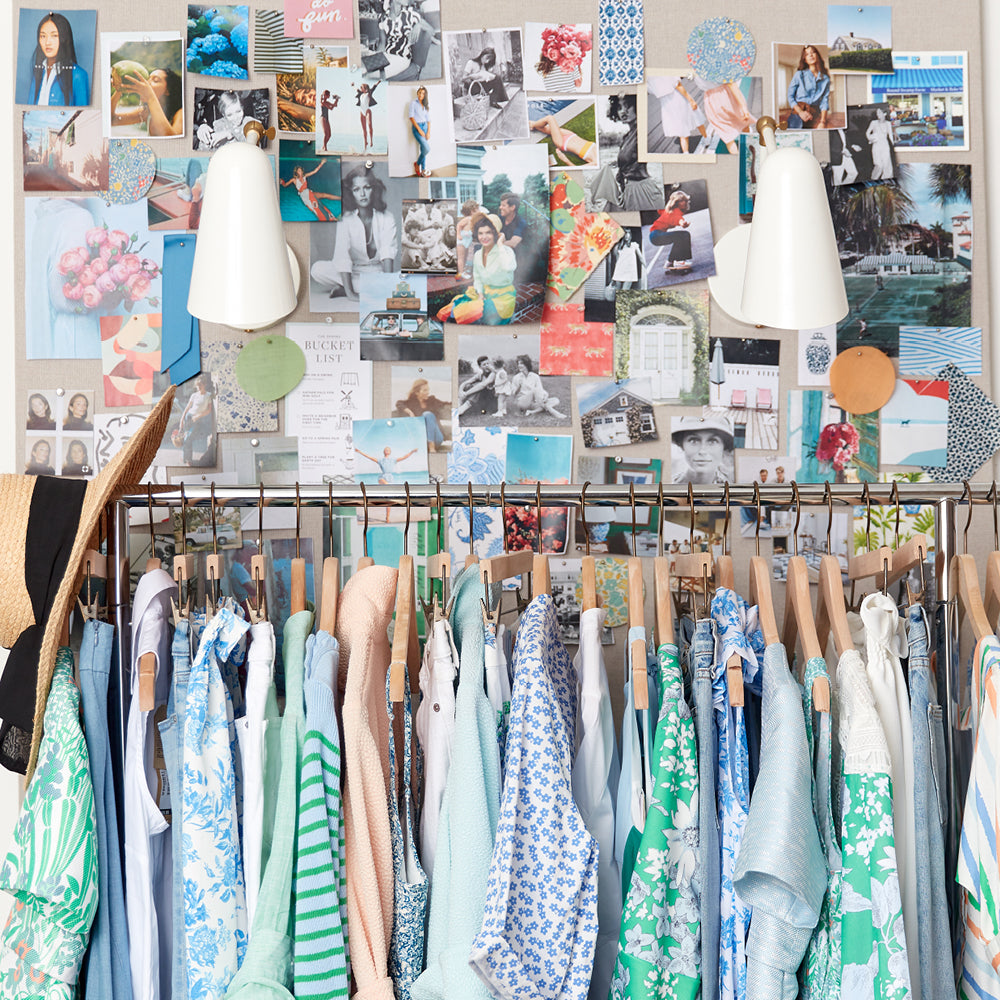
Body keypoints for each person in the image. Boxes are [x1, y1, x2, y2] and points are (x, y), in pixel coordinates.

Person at [310, 165, 397, 299]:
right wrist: (351, 295)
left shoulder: (387, 217)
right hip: (353, 270)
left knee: (407, 276)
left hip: (377, 271)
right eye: (356, 189)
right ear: (351, 193)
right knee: (317, 269)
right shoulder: (345, 220)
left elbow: (387, 253)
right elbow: (342, 257)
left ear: (374, 189)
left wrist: (387, 284)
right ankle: (354, 288)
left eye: (367, 187)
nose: (362, 194)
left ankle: (346, 288)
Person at [436, 213, 516, 325]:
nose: (484, 237)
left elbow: (508, 267)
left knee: (470, 312)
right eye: (480, 233)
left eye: (488, 232)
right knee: (452, 308)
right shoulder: (478, 255)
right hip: (484, 294)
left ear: (496, 233)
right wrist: (480, 294)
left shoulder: (506, 251)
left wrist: (500, 244)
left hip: (501, 299)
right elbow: (478, 278)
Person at [588, 94, 663, 212]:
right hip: (629, 189)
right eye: (619, 108)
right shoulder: (626, 137)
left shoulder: (642, 132)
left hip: (641, 190)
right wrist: (619, 162)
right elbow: (632, 156)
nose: (623, 111)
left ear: (637, 106)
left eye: (628, 106)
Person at [27, 12, 89, 106]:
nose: (47, 42)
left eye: (54, 35)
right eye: (43, 36)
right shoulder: (38, 72)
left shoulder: (78, 76)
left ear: (64, 38)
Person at [111, 67, 183, 136]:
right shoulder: (146, 112)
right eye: (148, 79)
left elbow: (174, 141)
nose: (147, 83)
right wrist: (120, 89)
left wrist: (150, 97)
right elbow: (111, 120)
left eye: (155, 80)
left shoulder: (180, 114)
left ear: (168, 90)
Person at [648, 75, 707, 153]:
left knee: (681, 129)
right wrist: (691, 100)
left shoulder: (648, 78)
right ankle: (706, 139)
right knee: (696, 117)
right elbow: (678, 85)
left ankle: (686, 153)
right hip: (678, 98)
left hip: (666, 104)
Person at [672, 415, 734, 484]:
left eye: (712, 441)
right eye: (693, 441)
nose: (702, 451)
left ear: (724, 447)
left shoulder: (731, 485)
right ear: (681, 445)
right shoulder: (670, 485)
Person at [393, 377, 449, 451]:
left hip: (437, 439)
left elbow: (446, 403)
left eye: (428, 390)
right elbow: (399, 403)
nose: (428, 392)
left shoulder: (432, 400)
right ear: (417, 392)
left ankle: (431, 446)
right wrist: (410, 412)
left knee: (427, 414)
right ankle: (428, 446)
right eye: (425, 390)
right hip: (422, 439)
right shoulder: (412, 403)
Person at [195, 90, 260, 150]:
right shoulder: (219, 124)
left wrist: (229, 136)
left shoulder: (252, 124)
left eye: (238, 111)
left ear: (242, 108)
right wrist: (204, 132)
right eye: (229, 115)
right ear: (224, 114)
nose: (235, 117)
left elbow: (250, 152)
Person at [786, 45, 830, 130]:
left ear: (817, 55)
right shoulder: (799, 74)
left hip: (815, 113)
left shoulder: (825, 79)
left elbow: (824, 101)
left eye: (813, 52)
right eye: (807, 54)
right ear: (805, 59)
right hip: (798, 111)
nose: (810, 55)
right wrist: (800, 112)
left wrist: (822, 122)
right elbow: (790, 96)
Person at [649, 189, 693, 272]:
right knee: (684, 235)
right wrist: (682, 223)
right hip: (657, 235)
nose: (684, 202)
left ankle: (670, 262)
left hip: (655, 235)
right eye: (681, 201)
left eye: (685, 200)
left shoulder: (667, 210)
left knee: (679, 238)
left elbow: (660, 210)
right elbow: (677, 218)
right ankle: (680, 261)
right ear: (675, 203)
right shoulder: (674, 212)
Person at [529, 115, 598, 167]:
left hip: (562, 143)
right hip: (571, 135)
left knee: (550, 118)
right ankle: (533, 125)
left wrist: (564, 159)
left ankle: (533, 124)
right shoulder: (601, 148)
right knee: (543, 128)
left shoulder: (596, 162)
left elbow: (578, 169)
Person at [178, 374, 215, 466]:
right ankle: (186, 458)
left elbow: (209, 410)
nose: (198, 387)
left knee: (188, 438)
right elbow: (187, 408)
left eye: (200, 385)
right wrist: (181, 420)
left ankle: (188, 460)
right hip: (189, 417)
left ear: (205, 384)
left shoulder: (208, 396)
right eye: (197, 385)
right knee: (185, 438)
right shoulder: (194, 395)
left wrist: (198, 416)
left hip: (197, 420)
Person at [455, 199, 481, 278]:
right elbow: (459, 225)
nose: (479, 211)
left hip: (467, 241)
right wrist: (458, 235)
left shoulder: (473, 219)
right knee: (461, 257)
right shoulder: (468, 219)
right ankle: (461, 272)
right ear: (472, 211)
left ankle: (463, 269)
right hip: (461, 241)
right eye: (478, 209)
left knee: (465, 256)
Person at [409, 86, 431, 177]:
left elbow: (428, 120)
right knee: (427, 149)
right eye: (420, 92)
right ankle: (417, 164)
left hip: (425, 127)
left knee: (423, 149)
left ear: (425, 95)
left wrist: (428, 132)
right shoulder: (413, 103)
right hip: (417, 128)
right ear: (417, 93)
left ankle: (423, 170)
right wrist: (419, 130)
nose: (421, 95)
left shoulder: (425, 106)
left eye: (423, 93)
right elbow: (411, 117)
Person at [867, 106, 894, 179]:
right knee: (878, 165)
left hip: (885, 145)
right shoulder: (873, 123)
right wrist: (871, 139)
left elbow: (890, 136)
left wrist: (893, 146)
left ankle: (886, 181)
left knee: (887, 165)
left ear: (884, 114)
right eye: (877, 113)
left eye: (879, 112)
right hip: (876, 145)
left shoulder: (888, 123)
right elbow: (867, 133)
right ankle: (873, 179)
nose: (877, 114)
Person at [355, 81, 381, 153]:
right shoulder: (361, 94)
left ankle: (371, 141)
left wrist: (378, 82)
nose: (360, 88)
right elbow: (356, 89)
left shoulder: (368, 93)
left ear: (365, 88)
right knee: (364, 129)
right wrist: (353, 85)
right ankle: (365, 144)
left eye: (361, 87)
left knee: (369, 125)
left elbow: (374, 87)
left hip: (367, 111)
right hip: (361, 112)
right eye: (360, 87)